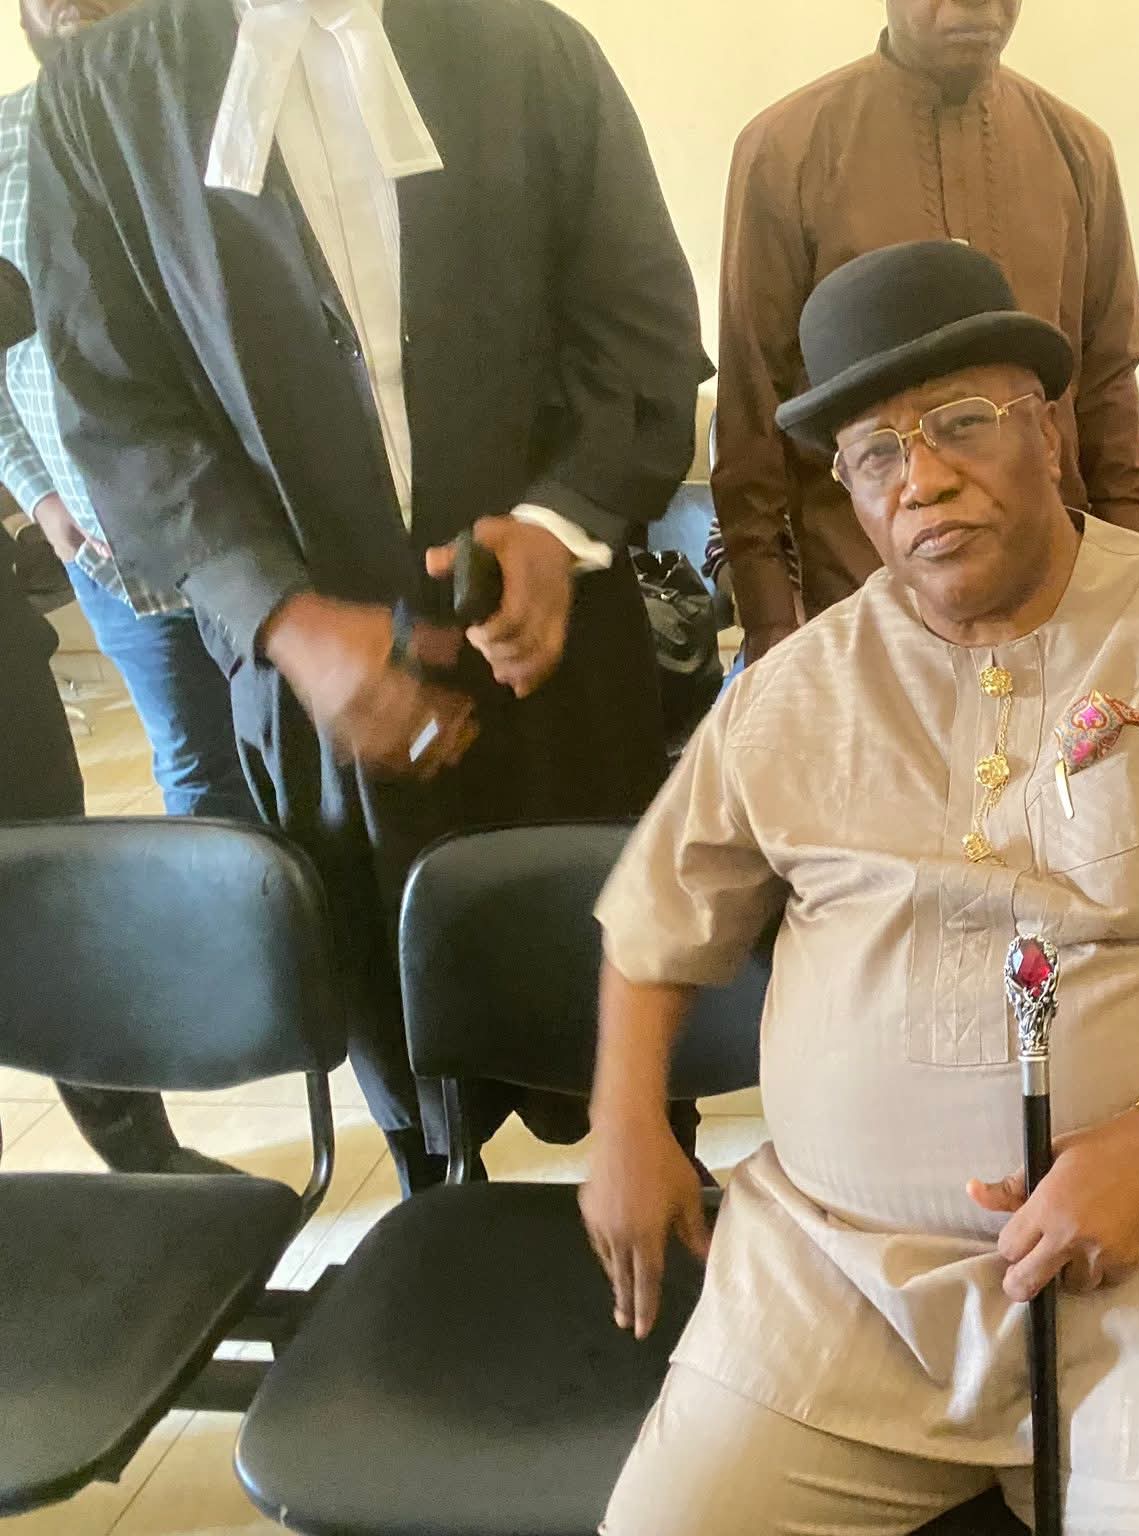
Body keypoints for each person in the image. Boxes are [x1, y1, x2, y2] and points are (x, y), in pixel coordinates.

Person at [581, 240, 1139, 1534]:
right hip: (846, 1279)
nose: (922, 479)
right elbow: (654, 917)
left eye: (960, 423)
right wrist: (624, 1125)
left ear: (1046, 430)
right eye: (875, 454)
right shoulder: (790, 696)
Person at [29, 0, 713, 1194]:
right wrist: (281, 616)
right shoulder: (102, 99)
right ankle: (431, 1210)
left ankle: (663, 1216)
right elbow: (116, 410)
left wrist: (562, 520)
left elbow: (643, 328)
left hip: (555, 645)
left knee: (615, 1001)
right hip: (317, 684)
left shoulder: (532, 50)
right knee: (391, 1019)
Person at [1, 0, 258, 1177]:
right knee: (191, 761)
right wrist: (39, 495)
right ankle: (237, 984)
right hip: (100, 543)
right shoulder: (7, 150)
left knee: (287, 748)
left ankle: (324, 971)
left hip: (250, 531)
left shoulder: (216, 116)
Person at [715, 0, 1139, 664]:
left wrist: (1130, 590)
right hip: (866, 616)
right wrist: (771, 626)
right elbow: (751, 407)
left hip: (1061, 614)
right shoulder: (787, 150)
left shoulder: (1077, 150)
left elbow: (1107, 382)